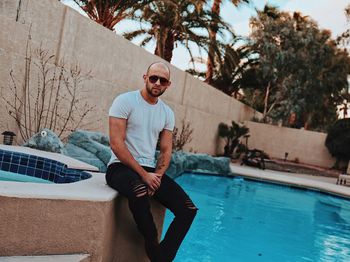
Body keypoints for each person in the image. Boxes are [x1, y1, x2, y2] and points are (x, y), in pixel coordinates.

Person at [105, 62, 198, 262]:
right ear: (145, 77)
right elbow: (116, 144)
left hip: (149, 170)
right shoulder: (125, 101)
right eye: (153, 77)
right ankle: (152, 245)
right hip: (119, 167)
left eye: (162, 80)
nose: (157, 83)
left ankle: (163, 258)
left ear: (168, 85)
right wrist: (144, 175)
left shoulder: (167, 113)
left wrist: (157, 176)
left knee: (188, 210)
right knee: (139, 190)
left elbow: (165, 150)